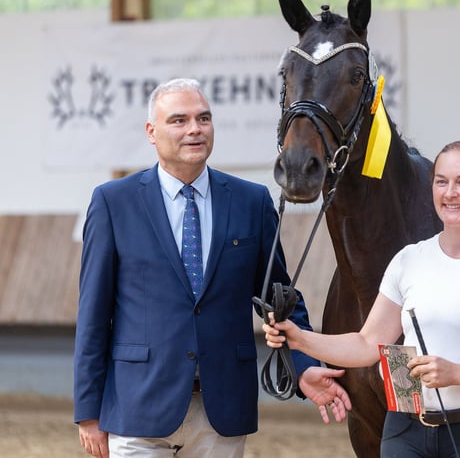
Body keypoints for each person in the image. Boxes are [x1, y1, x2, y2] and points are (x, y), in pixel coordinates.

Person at [73, 78, 350, 458]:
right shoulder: (112, 202)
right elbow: (93, 313)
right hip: (137, 406)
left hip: (222, 408)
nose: (195, 129)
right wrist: (88, 411)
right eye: (179, 120)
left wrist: (303, 366)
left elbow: (279, 297)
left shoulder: (251, 201)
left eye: (203, 118)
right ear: (151, 132)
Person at [264, 140, 460, 457]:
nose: (450, 193)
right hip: (406, 434)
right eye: (441, 182)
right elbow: (367, 343)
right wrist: (300, 339)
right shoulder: (407, 260)